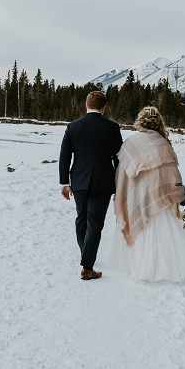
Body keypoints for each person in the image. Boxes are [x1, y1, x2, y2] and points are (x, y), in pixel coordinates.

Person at [108, 106, 185, 282]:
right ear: (159, 122)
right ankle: (162, 269)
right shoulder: (164, 143)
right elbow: (173, 174)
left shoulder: (131, 143)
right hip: (160, 197)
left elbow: (121, 173)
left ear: (140, 121)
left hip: (138, 196)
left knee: (144, 233)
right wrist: (177, 193)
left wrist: (123, 193)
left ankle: (141, 267)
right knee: (161, 234)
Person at [59, 90, 123, 280]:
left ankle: (85, 253)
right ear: (104, 108)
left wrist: (64, 182)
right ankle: (87, 266)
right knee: (95, 222)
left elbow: (65, 156)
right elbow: (119, 157)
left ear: (86, 105)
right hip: (103, 182)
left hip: (78, 180)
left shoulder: (73, 127)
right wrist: (120, 182)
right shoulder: (112, 127)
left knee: (81, 218)